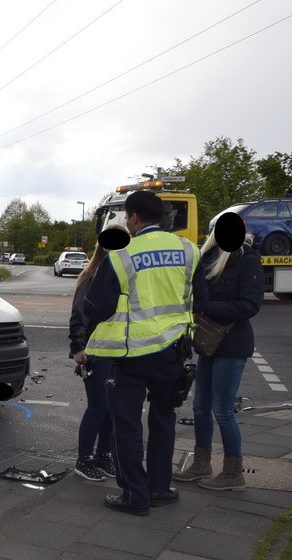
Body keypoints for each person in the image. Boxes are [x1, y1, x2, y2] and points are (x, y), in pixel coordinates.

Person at [84, 191, 208, 516]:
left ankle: (135, 496)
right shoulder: (189, 251)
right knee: (164, 418)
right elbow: (203, 302)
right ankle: (159, 489)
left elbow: (96, 306)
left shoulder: (121, 254)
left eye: (127, 217)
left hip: (133, 353)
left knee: (127, 424)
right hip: (173, 352)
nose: (127, 222)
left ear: (135, 218)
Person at [173, 231, 263, 491]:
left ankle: (233, 473)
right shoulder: (210, 256)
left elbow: (250, 305)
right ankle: (201, 465)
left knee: (222, 410)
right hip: (208, 343)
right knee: (200, 407)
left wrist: (206, 307)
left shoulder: (247, 260)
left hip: (232, 344)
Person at [68, 243, 115, 481]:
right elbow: (79, 312)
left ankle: (103, 454)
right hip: (95, 349)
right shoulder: (94, 275)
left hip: (115, 348)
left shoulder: (117, 270)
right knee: (99, 406)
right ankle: (84, 459)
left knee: (111, 407)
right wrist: (78, 347)